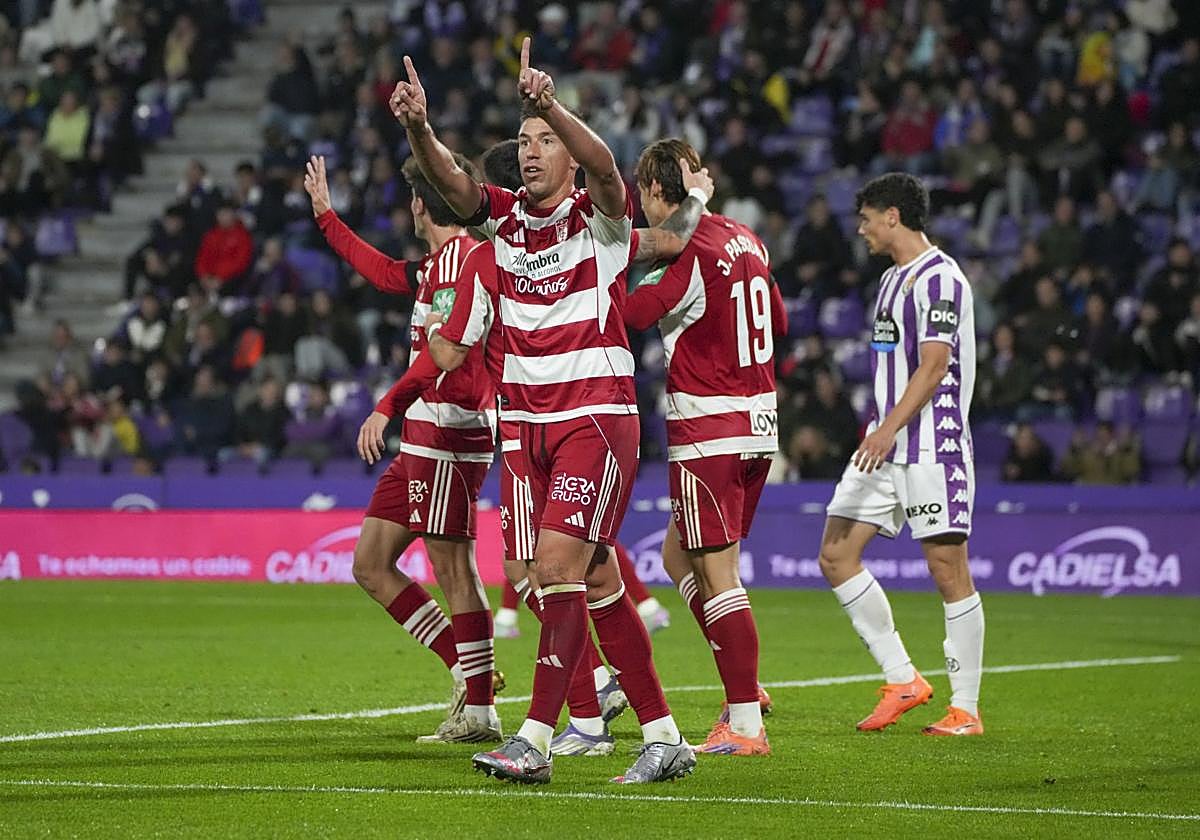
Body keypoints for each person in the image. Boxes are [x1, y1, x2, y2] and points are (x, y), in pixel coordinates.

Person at [393, 39, 694, 784]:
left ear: (569, 152)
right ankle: (663, 735)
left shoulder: (603, 220)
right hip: (528, 429)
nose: (531, 153)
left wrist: (550, 103)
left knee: (554, 568)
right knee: (593, 583)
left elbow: (606, 169)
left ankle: (534, 739)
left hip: (594, 416)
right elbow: (458, 189)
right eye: (525, 143)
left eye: (544, 142)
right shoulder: (504, 225)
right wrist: (418, 130)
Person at [305, 153, 502, 743]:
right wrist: (326, 218)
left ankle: (480, 706)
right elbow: (382, 271)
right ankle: (469, 673)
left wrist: (386, 404)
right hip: (422, 435)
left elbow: (449, 354)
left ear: (422, 202)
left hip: (451, 432)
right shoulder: (435, 266)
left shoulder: (472, 259)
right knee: (369, 564)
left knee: (453, 568)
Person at [623, 137, 789, 756]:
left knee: (719, 575)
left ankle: (745, 722)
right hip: (759, 422)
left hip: (708, 431)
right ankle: (744, 681)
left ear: (656, 191)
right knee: (677, 556)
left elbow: (634, 314)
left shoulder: (683, 252)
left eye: (641, 193)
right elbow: (779, 318)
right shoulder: (747, 237)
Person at [817, 173, 984, 738]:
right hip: (884, 444)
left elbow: (934, 365)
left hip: (931, 446)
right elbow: (890, 364)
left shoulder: (942, 279)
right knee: (836, 554)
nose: (860, 229)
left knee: (946, 569)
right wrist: (879, 428)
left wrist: (889, 427)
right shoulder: (889, 283)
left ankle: (966, 709)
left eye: (866, 218)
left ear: (892, 216)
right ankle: (903, 678)